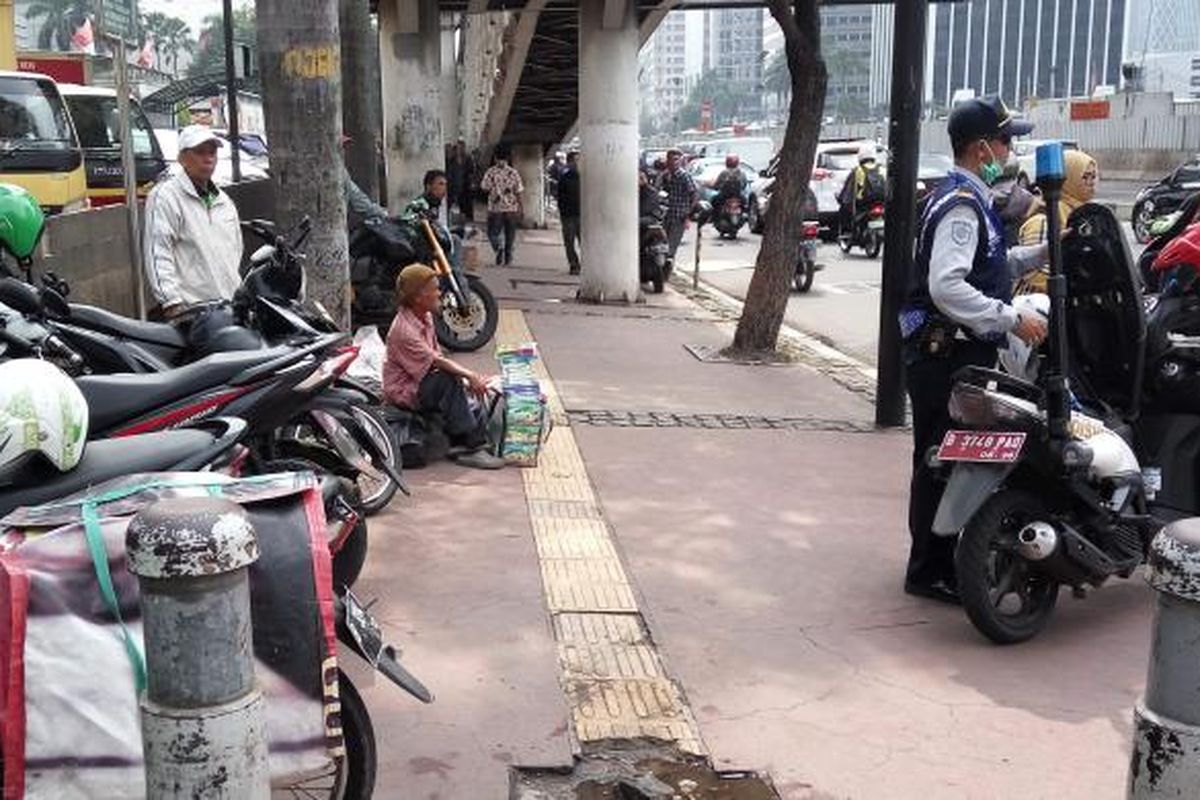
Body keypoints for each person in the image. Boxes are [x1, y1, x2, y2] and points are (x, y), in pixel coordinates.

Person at [899, 96, 1049, 604]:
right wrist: (1011, 318)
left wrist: (1044, 252)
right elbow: (948, 286)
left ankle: (935, 561)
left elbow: (992, 262)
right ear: (981, 146)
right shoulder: (962, 205)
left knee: (942, 458)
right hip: (946, 355)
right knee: (943, 461)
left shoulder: (967, 196)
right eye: (1006, 141)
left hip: (949, 353)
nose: (1010, 151)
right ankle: (929, 570)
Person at [383, 264, 504, 470]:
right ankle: (471, 447)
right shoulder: (404, 330)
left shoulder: (425, 317)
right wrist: (469, 375)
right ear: (418, 297)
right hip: (405, 393)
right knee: (448, 379)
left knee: (465, 389)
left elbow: (437, 355)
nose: (440, 293)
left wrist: (470, 379)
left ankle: (461, 440)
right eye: (435, 289)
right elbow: (436, 362)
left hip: (421, 381)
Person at [143, 125, 243, 320]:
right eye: (199, 152)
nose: (208, 158)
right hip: (192, 312)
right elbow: (158, 252)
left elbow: (235, 250)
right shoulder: (165, 196)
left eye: (212, 152)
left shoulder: (224, 201)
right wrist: (172, 302)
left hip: (229, 308)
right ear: (182, 158)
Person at [1018, 150, 1098, 246]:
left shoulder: (1089, 214)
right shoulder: (1043, 221)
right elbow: (1034, 258)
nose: (1091, 182)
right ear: (1066, 179)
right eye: (1084, 177)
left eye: (1093, 176)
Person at [480, 149, 524, 266]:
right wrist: (520, 207)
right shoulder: (513, 172)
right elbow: (518, 191)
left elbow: (484, 187)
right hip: (511, 207)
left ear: (495, 158)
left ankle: (499, 248)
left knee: (492, 233)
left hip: (495, 208)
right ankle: (508, 256)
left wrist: (494, 188)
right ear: (508, 159)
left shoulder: (491, 172)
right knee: (510, 234)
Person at [656, 149, 698, 263]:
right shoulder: (666, 175)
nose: (673, 162)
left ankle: (668, 267)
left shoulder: (684, 176)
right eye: (671, 159)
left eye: (676, 159)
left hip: (679, 216)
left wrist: (689, 213)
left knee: (672, 246)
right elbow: (659, 191)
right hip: (666, 215)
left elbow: (694, 193)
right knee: (662, 243)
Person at [837, 143, 887, 238]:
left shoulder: (858, 170)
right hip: (881, 200)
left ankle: (849, 232)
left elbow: (848, 190)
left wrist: (842, 199)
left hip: (864, 202)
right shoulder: (882, 169)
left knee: (845, 212)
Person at [556, 151, 581, 275]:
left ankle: (586, 265)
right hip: (568, 215)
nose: (578, 162)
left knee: (585, 242)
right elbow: (559, 197)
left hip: (583, 215)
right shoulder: (565, 178)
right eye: (576, 160)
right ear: (569, 162)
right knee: (569, 242)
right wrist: (562, 212)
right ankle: (574, 264)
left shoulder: (586, 178)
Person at [446, 140, 475, 220]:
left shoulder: (468, 158)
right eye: (458, 147)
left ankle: (467, 218)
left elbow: (471, 171)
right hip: (453, 184)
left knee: (466, 204)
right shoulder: (451, 159)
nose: (460, 149)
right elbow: (449, 170)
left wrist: (471, 182)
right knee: (450, 202)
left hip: (465, 185)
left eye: (461, 147)